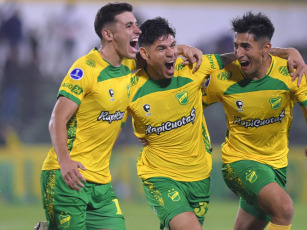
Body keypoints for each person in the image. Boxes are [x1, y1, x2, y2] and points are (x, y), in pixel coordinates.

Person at [128, 17, 307, 230]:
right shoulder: (130, 88)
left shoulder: (195, 68)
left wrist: (288, 52)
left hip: (198, 175)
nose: (170, 53)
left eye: (173, 46)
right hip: (158, 174)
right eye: (162, 48)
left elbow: (239, 56)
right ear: (145, 53)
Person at [39, 3, 204, 229]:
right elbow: (57, 119)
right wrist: (64, 161)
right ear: (108, 34)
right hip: (68, 176)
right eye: (129, 25)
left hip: (101, 181)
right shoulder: (86, 69)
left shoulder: (130, 65)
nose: (137, 30)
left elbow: (158, 52)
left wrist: (183, 48)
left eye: (136, 24)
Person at [202, 11, 307, 230]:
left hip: (276, 165)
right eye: (236, 45)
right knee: (284, 208)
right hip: (238, 162)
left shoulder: (292, 73)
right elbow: (188, 106)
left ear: (266, 48)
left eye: (246, 47)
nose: (238, 53)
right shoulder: (223, 78)